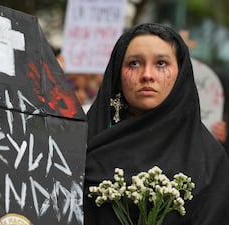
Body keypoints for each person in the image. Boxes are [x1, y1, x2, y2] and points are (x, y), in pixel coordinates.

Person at [84, 23, 229, 225]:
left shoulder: (209, 159)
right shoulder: (82, 145)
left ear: (181, 74)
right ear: (117, 74)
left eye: (161, 63)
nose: (147, 75)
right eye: (134, 63)